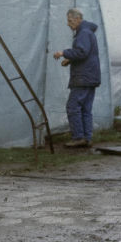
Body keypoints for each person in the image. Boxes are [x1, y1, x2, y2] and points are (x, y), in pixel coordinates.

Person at [52, 8, 100, 148]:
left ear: (78, 19)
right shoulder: (88, 32)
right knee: (85, 108)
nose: (68, 24)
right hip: (91, 76)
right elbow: (85, 53)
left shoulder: (83, 33)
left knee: (73, 106)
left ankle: (78, 137)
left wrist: (64, 53)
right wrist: (70, 60)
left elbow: (81, 52)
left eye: (70, 20)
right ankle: (87, 137)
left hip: (82, 77)